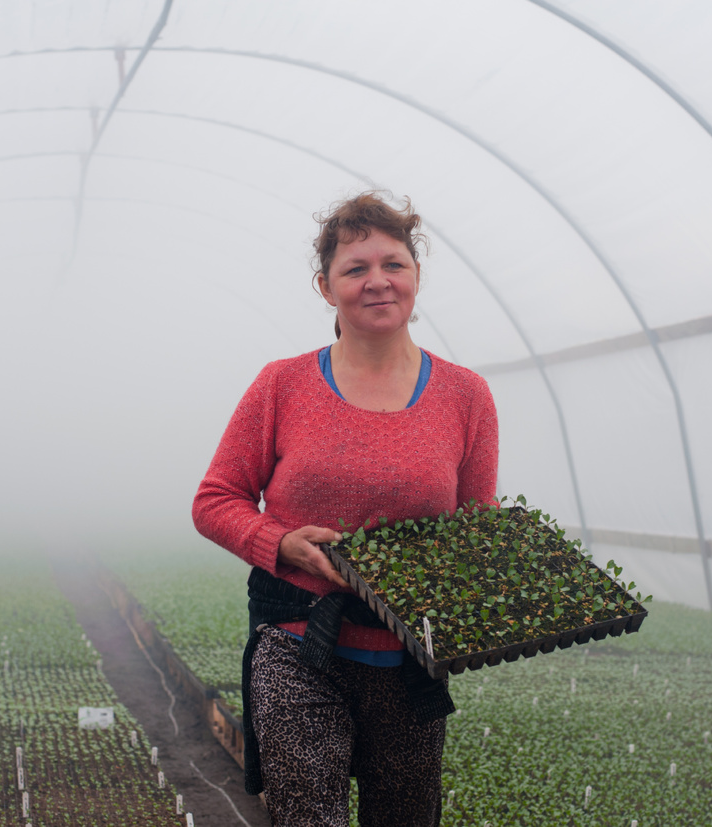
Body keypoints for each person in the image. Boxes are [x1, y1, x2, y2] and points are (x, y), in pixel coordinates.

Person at [192, 191, 499, 827]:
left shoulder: (466, 396)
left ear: (416, 276)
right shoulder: (282, 385)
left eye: (394, 264)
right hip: (299, 642)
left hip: (409, 658)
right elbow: (215, 500)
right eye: (355, 269)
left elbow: (477, 528)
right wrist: (281, 544)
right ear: (326, 287)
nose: (377, 281)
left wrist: (493, 589)